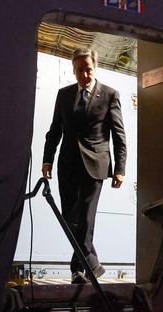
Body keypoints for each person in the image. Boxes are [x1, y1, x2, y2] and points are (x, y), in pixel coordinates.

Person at [43, 47, 127, 284]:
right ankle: (92, 263)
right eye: (80, 70)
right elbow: (54, 130)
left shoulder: (110, 94)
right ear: (74, 70)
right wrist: (47, 159)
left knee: (86, 218)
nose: (84, 74)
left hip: (96, 163)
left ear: (95, 68)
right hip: (67, 163)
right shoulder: (64, 95)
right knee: (69, 217)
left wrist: (120, 168)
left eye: (88, 69)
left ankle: (78, 270)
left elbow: (119, 134)